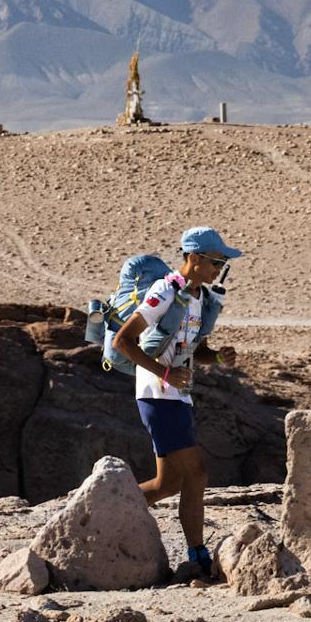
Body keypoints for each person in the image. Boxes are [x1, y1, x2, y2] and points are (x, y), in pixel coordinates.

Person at [111, 226, 242, 575]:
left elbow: (192, 349)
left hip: (178, 397)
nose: (220, 269)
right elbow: (123, 342)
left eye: (223, 264)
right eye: (216, 261)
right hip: (158, 395)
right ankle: (197, 554)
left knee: (166, 484)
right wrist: (164, 373)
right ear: (194, 258)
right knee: (197, 473)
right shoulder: (164, 291)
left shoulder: (200, 298)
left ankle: (104, 511)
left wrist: (215, 358)